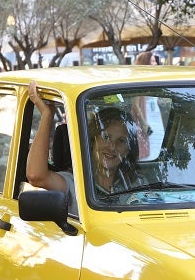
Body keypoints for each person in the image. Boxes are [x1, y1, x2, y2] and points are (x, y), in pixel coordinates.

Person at [25, 80, 138, 209]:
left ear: (128, 149)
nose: (112, 147)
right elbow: (36, 176)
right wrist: (47, 115)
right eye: (106, 137)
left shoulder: (138, 183)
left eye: (121, 141)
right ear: (92, 140)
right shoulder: (74, 183)